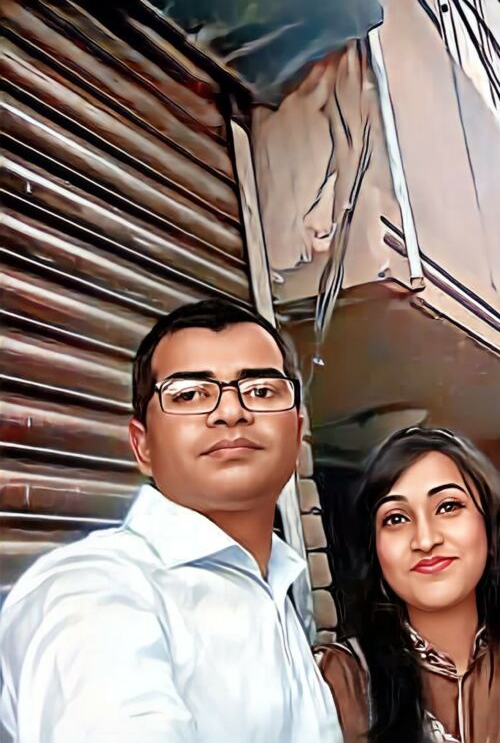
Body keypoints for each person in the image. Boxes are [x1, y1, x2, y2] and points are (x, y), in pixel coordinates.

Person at [0, 297, 342, 743]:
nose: (231, 412)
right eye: (189, 394)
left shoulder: (275, 585)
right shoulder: (94, 591)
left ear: (296, 433)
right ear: (142, 446)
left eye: (260, 390)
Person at [316, 427, 500, 743]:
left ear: (490, 526)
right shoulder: (338, 680)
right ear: (374, 550)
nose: (425, 540)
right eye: (396, 518)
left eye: (448, 506)